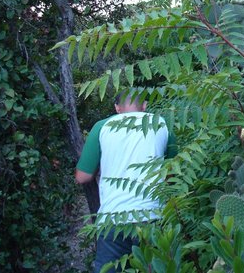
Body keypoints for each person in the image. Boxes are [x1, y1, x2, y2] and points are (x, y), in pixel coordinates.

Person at [75, 89, 177, 273]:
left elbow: (82, 177)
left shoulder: (102, 127)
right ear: (145, 106)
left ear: (117, 108)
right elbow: (173, 176)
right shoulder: (163, 124)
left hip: (113, 219)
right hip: (153, 215)